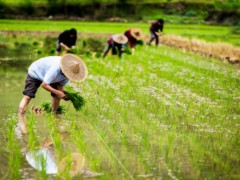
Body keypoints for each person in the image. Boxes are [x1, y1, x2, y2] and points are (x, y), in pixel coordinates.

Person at [18, 54, 88, 132]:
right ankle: (21, 118)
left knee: (57, 96)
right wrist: (58, 92)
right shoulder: (56, 68)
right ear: (65, 69)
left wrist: (62, 95)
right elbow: (44, 85)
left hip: (50, 77)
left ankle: (54, 116)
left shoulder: (67, 75)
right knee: (28, 96)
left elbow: (60, 86)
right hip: (36, 72)